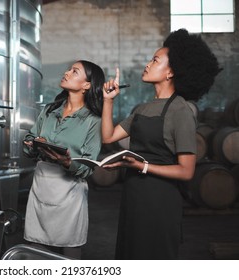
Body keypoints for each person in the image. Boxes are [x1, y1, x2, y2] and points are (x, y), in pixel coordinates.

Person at [101, 29, 221, 259]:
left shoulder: (181, 110)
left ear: (171, 72)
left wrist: (142, 166)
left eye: (155, 60)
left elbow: (186, 171)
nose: (147, 64)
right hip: (133, 195)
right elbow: (108, 137)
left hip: (160, 200)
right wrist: (108, 102)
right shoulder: (142, 109)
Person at [22, 60, 105, 259]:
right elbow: (29, 139)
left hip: (69, 192)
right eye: (69, 69)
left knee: (70, 246)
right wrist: (34, 145)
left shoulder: (93, 120)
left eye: (74, 71)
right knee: (34, 245)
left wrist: (66, 162)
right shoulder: (49, 111)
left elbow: (88, 166)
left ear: (87, 85)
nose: (67, 73)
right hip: (41, 184)